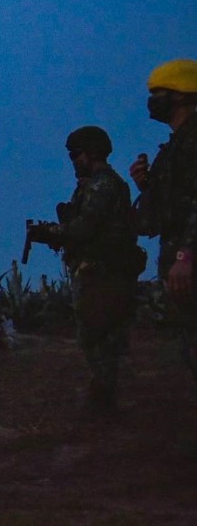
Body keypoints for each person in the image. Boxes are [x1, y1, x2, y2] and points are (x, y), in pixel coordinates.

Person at [30, 126, 145, 411]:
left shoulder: (102, 185)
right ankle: (103, 394)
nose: (73, 160)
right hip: (97, 270)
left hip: (103, 271)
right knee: (95, 334)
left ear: (91, 153)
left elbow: (84, 228)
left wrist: (51, 233)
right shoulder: (92, 185)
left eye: (76, 154)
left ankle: (105, 398)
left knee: (99, 334)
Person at [130, 58, 197, 381]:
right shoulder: (173, 147)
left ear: (183, 95)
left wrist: (186, 254)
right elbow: (153, 222)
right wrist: (146, 187)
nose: (153, 101)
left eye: (161, 92)